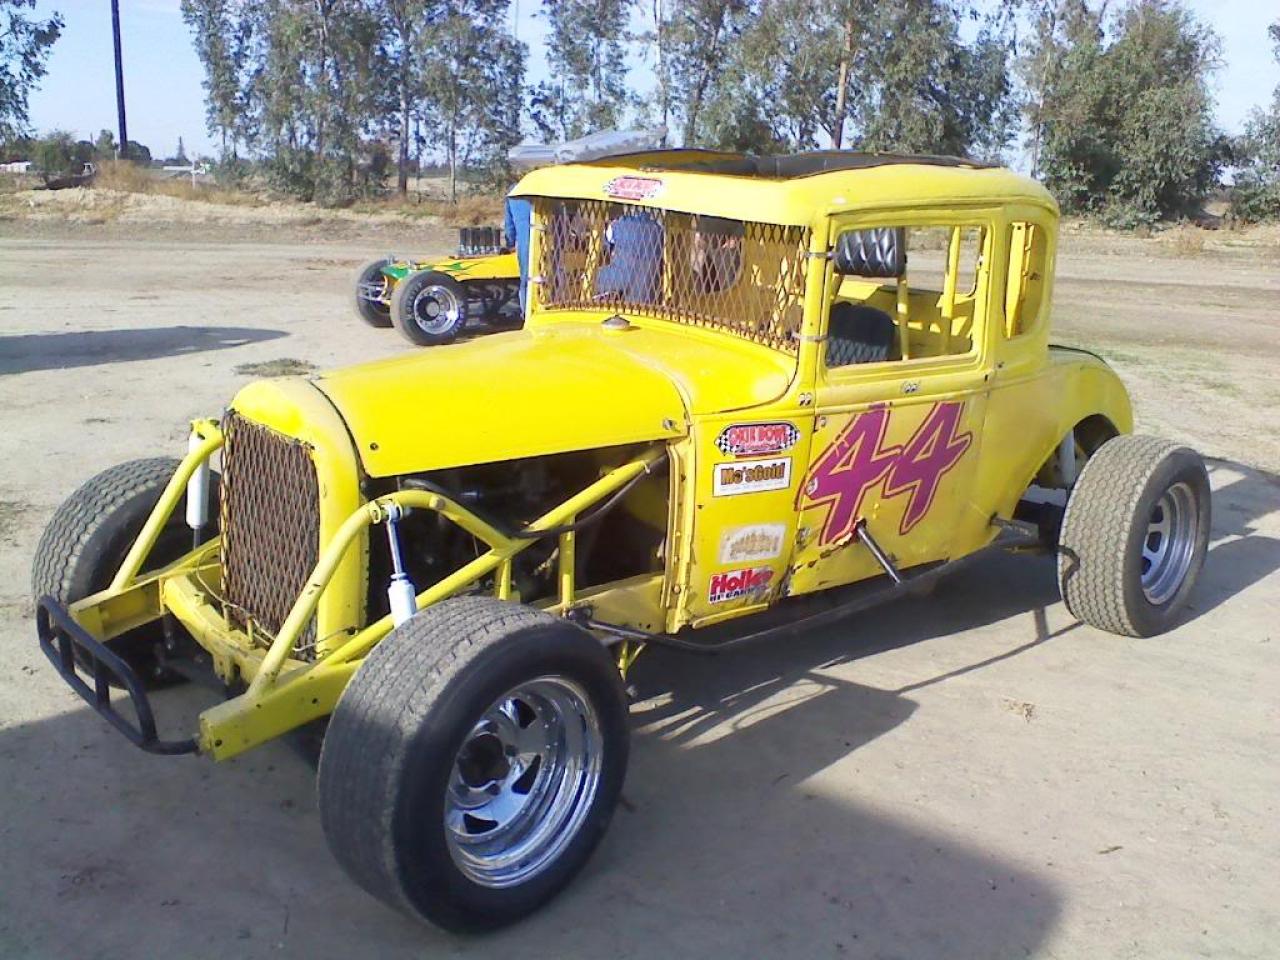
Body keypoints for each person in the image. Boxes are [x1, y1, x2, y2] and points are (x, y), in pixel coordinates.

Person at [503, 193, 533, 311]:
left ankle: (526, 312)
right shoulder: (546, 189)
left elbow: (509, 226)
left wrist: (510, 243)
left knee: (526, 279)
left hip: (524, 245)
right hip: (547, 243)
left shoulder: (513, 194)